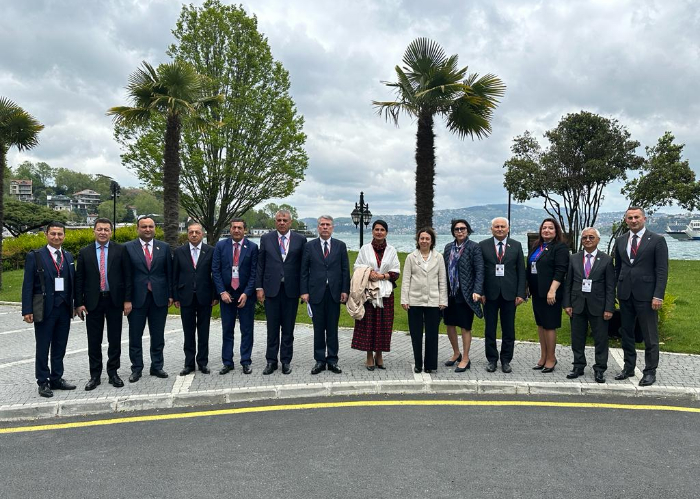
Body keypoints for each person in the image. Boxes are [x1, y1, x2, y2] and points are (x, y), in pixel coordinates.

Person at [74, 218, 132, 390]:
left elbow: (128, 276)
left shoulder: (120, 250)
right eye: (99, 229)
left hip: (114, 300)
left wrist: (127, 300)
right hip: (93, 302)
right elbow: (79, 279)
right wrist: (79, 303)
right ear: (94, 231)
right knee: (94, 340)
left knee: (114, 339)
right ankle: (95, 375)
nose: (103, 232)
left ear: (111, 232)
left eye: (106, 229)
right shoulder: (85, 252)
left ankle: (113, 373)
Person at [613, 206, 668, 387]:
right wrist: (613, 290)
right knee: (627, 333)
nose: (633, 220)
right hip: (625, 293)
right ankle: (628, 367)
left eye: (637, 217)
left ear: (644, 219)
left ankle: (650, 371)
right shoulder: (620, 240)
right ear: (626, 220)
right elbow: (618, 268)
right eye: (630, 218)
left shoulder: (657, 240)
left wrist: (658, 295)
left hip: (647, 295)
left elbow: (661, 271)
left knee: (649, 335)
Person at [21, 221, 77, 397]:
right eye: (53, 234)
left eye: (60, 234)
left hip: (64, 309)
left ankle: (56, 378)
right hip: (45, 308)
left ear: (64, 236)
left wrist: (74, 304)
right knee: (43, 347)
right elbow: (28, 284)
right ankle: (43, 381)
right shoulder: (36, 256)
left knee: (60, 346)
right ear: (46, 234)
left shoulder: (68, 256)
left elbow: (72, 283)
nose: (56, 237)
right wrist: (27, 309)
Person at [256, 209, 307, 375]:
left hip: (291, 290)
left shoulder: (300, 240)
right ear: (275, 222)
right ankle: (271, 361)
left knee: (288, 329)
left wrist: (303, 289)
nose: (282, 223)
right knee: (272, 329)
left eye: (285, 220)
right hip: (271, 290)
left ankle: (286, 361)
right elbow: (260, 265)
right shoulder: (266, 239)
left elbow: (303, 267)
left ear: (290, 222)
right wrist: (259, 287)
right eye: (279, 220)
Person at [563, 227, 615, 383]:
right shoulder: (574, 258)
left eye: (591, 237)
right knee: (577, 338)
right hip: (577, 304)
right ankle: (578, 366)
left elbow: (610, 286)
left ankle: (600, 369)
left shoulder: (606, 259)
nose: (587, 240)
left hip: (598, 306)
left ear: (598, 240)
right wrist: (567, 304)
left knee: (600, 339)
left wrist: (609, 307)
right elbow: (568, 283)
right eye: (584, 237)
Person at [124, 216, 173, 382]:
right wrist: (126, 299)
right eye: (144, 226)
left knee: (158, 335)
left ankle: (157, 366)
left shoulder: (164, 247)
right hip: (136, 300)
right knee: (135, 336)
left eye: (150, 226)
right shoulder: (128, 248)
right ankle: (137, 369)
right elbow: (126, 276)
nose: (147, 229)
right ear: (137, 228)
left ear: (155, 228)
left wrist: (171, 295)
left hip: (159, 298)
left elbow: (169, 273)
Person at [301, 216, 350, 375]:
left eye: (328, 225)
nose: (325, 227)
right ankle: (320, 360)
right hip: (316, 293)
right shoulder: (309, 246)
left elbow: (345, 270)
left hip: (334, 293)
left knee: (332, 328)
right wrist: (304, 291)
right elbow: (304, 271)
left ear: (332, 228)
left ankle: (333, 360)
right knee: (318, 328)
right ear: (318, 228)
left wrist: (345, 290)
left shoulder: (340, 246)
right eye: (322, 225)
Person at [350, 220, 401, 370]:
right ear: (372, 231)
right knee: (368, 323)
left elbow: (396, 271)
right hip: (368, 292)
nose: (379, 232)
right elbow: (356, 266)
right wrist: (369, 272)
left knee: (383, 324)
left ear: (386, 232)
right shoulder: (365, 249)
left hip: (385, 293)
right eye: (376, 229)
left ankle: (379, 354)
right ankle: (368, 355)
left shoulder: (391, 250)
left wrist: (383, 276)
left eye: (382, 230)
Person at [478, 217, 526, 373]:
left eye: (502, 226)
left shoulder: (516, 246)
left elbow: (521, 272)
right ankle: (492, 360)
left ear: (508, 228)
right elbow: (480, 271)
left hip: (510, 295)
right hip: (489, 295)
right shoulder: (483, 245)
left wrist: (521, 294)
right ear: (491, 229)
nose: (499, 229)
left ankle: (506, 360)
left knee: (509, 329)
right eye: (496, 226)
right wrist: (481, 292)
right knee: (489, 329)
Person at [212, 218, 258, 375]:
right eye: (234, 227)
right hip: (227, 295)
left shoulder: (252, 247)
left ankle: (246, 361)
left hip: (245, 295)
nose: (236, 230)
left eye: (240, 228)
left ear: (245, 230)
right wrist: (221, 292)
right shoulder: (220, 246)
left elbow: (254, 273)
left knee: (247, 330)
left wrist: (247, 293)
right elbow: (215, 271)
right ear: (230, 229)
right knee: (227, 330)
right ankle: (227, 362)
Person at [173, 222, 217, 376]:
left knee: (204, 332)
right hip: (186, 297)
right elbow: (175, 276)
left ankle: (203, 363)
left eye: (197, 232)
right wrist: (176, 296)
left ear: (202, 234)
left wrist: (215, 295)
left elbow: (215, 275)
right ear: (187, 233)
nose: (193, 234)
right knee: (188, 332)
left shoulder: (210, 251)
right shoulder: (179, 252)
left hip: (205, 297)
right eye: (191, 232)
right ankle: (189, 364)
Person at [401, 227, 447, 373]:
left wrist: (443, 300)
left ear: (432, 241)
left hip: (433, 301)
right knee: (416, 334)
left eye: (427, 238)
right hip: (414, 300)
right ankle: (418, 363)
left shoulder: (438, 257)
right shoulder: (411, 257)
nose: (424, 241)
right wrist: (404, 299)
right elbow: (406, 280)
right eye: (422, 238)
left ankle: (430, 365)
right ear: (418, 240)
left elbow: (442, 280)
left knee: (432, 334)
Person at [527, 218, 569, 373]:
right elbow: (530, 267)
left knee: (550, 325)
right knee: (541, 324)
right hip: (537, 292)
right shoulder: (536, 246)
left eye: (550, 228)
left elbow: (560, 270)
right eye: (544, 228)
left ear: (556, 230)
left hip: (550, 293)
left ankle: (551, 358)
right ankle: (543, 356)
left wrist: (552, 290)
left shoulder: (560, 247)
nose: (546, 230)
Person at [443, 219, 484, 373]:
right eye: (457, 229)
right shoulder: (448, 248)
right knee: (449, 324)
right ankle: (456, 353)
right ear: (453, 231)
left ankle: (466, 358)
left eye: (463, 229)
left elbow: (480, 270)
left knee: (465, 326)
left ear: (468, 230)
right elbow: (444, 270)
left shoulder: (474, 247)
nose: (460, 231)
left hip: (466, 294)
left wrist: (477, 290)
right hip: (450, 293)